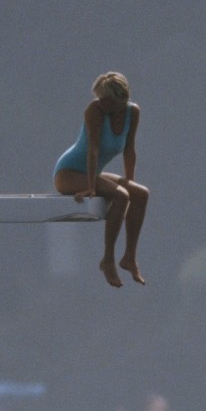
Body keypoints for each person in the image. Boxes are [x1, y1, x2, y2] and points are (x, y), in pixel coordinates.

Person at [53, 71, 149, 288]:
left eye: (105, 99)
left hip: (92, 173)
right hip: (68, 173)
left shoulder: (132, 112)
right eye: (99, 97)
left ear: (121, 98)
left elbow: (129, 149)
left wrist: (130, 180)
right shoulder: (95, 111)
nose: (100, 102)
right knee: (120, 195)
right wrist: (90, 188)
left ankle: (129, 257)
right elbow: (93, 151)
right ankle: (107, 260)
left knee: (140, 193)